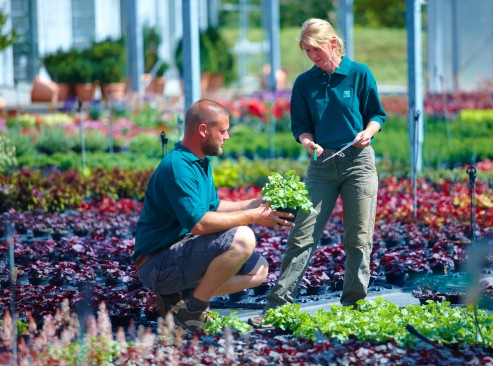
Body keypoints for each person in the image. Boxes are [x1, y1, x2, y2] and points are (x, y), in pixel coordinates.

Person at [249, 18, 386, 328]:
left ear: (332, 43)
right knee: (302, 234)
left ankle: (354, 306)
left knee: (359, 238)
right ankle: (278, 307)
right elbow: (300, 126)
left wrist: (368, 131)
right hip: (321, 166)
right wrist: (308, 142)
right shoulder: (304, 83)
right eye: (306, 50)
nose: (312, 56)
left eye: (315, 49)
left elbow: (376, 114)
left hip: (359, 163)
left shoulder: (358, 73)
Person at [133, 99, 294, 332]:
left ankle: (183, 299)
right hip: (159, 265)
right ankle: (192, 312)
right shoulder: (177, 167)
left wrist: (259, 203)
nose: (227, 137)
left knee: (259, 269)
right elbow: (199, 224)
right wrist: (253, 216)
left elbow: (214, 206)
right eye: (223, 131)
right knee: (243, 239)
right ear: (202, 130)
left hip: (179, 255)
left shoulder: (199, 161)